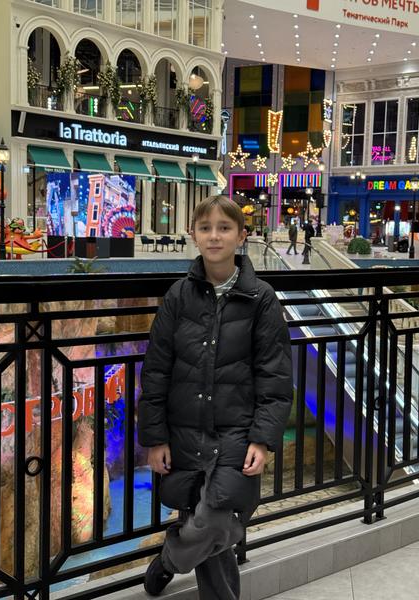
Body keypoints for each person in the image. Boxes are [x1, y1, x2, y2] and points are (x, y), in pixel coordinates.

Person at [138, 195, 293, 599]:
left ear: (241, 236)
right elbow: (156, 371)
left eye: (224, 228)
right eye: (205, 228)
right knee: (207, 522)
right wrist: (155, 438)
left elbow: (275, 376)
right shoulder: (178, 296)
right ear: (193, 234)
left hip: (235, 432)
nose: (214, 236)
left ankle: (169, 559)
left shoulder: (261, 298)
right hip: (185, 428)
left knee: (216, 520)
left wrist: (262, 439)